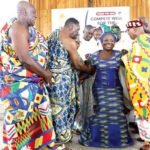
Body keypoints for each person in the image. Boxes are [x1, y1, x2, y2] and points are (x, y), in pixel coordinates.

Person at [0, 1, 56, 150]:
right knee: (19, 119)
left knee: (32, 119)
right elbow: (25, 59)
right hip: (20, 86)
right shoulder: (17, 28)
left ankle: (35, 145)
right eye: (33, 14)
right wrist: (46, 74)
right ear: (24, 13)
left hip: (32, 84)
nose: (36, 16)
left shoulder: (26, 29)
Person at [79, 32, 133, 148]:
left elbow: (131, 68)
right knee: (102, 108)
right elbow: (90, 71)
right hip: (99, 89)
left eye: (112, 41)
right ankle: (99, 139)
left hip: (116, 89)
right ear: (101, 41)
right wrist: (79, 78)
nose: (109, 42)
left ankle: (119, 140)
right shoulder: (94, 56)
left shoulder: (120, 55)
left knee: (118, 110)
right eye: (106, 40)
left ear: (115, 43)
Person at [47, 18, 93, 148]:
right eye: (77, 30)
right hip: (63, 82)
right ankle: (61, 143)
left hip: (51, 79)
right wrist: (90, 70)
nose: (77, 33)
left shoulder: (54, 34)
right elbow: (78, 64)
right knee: (63, 110)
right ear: (70, 28)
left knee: (54, 109)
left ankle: (53, 138)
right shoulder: (68, 41)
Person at [122, 17, 150, 150]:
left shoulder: (138, 44)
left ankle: (148, 143)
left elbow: (134, 65)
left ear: (134, 30)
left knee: (144, 112)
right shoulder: (148, 40)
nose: (128, 33)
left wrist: (124, 57)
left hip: (143, 88)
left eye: (128, 31)